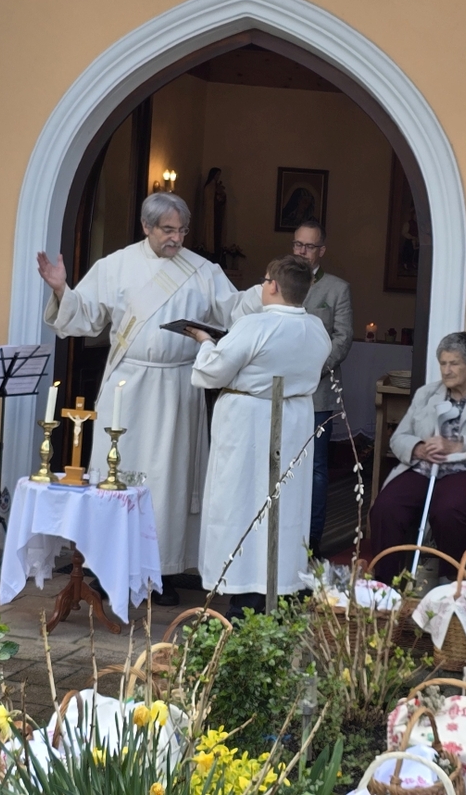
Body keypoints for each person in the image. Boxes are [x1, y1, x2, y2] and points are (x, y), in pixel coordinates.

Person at [38, 192, 262, 605]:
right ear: (146, 226)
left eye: (182, 230)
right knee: (116, 477)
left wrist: (267, 293)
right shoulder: (115, 266)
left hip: (178, 387)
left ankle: (161, 570)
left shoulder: (203, 271)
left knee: (169, 483)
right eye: (167, 230)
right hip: (127, 385)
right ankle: (110, 568)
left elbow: (234, 309)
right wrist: (60, 290)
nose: (176, 238)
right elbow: (84, 317)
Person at [188, 255, 331, 619]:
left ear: (273, 286)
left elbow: (212, 371)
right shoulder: (317, 329)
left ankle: (243, 597)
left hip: (249, 422)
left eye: (265, 280)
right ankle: (278, 591)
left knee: (240, 506)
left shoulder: (255, 324)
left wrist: (205, 341)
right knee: (284, 506)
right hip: (294, 420)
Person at [369, 331, 466, 583]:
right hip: (424, 467)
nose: (446, 371)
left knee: (448, 510)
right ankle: (386, 586)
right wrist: (418, 448)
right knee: (386, 507)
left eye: (454, 364)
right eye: (443, 363)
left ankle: (452, 583)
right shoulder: (426, 394)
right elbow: (399, 437)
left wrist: (456, 445)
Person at [292, 218, 353, 554]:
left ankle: (312, 542)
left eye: (309, 246)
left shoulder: (336, 289)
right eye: (298, 245)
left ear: (322, 250)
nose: (302, 252)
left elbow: (343, 338)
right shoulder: (277, 282)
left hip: (319, 392)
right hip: (281, 392)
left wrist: (314, 368)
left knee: (315, 469)